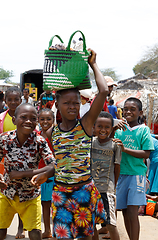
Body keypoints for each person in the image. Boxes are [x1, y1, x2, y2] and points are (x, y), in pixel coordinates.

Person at [31, 49, 109, 240]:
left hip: (83, 191)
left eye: (75, 102)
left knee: (85, 237)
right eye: (67, 103)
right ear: (57, 104)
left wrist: (93, 64)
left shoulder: (86, 124)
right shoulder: (52, 133)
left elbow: (104, 91)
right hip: (61, 193)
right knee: (62, 236)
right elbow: (60, 164)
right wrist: (45, 175)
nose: (72, 106)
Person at [0, 103, 55, 240]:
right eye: (23, 117)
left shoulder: (39, 141)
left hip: (31, 195)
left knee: (35, 232)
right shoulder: (5, 139)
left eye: (33, 118)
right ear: (14, 120)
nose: (28, 121)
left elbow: (53, 165)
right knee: (1, 230)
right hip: (7, 193)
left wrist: (25, 173)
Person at [114, 97, 154, 240]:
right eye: (125, 109)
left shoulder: (143, 130)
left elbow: (146, 153)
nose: (128, 112)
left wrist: (125, 149)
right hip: (121, 174)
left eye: (132, 109)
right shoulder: (119, 129)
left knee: (132, 212)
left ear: (140, 112)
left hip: (136, 175)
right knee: (124, 211)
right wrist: (113, 130)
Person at [0, 86, 25, 238]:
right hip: (4, 163)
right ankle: (3, 226)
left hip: (23, 163)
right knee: (6, 196)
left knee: (22, 194)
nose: (13, 102)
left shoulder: (26, 115)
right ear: (5, 101)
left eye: (16, 99)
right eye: (10, 99)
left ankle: (21, 229)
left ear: (21, 100)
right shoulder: (1, 118)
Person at [91, 111, 121, 240]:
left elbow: (117, 167)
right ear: (94, 127)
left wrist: (113, 185)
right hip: (91, 189)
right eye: (100, 126)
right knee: (91, 224)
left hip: (106, 190)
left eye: (107, 127)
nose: (103, 130)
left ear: (111, 128)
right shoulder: (90, 143)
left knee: (110, 224)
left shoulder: (115, 145)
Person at [38, 108, 55, 239]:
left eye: (48, 119)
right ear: (38, 120)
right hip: (40, 174)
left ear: (53, 121)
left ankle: (56, 231)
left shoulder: (55, 135)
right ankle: (47, 230)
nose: (45, 121)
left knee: (55, 204)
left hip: (54, 175)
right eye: (42, 119)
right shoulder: (36, 136)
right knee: (45, 204)